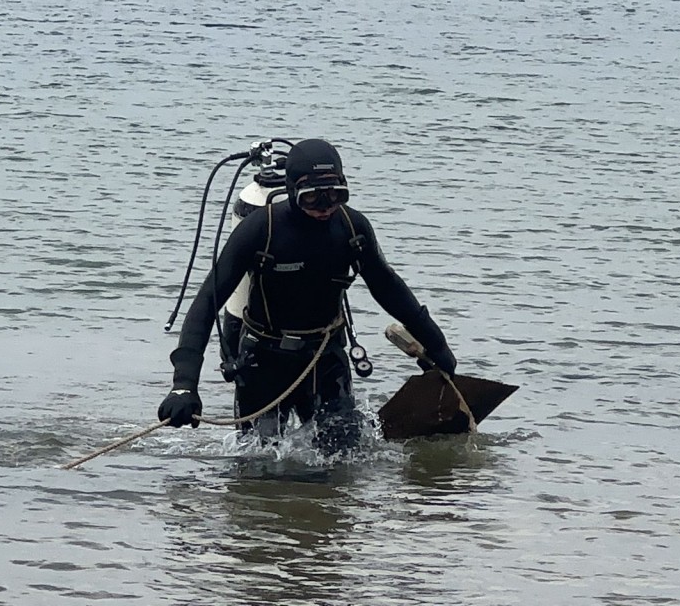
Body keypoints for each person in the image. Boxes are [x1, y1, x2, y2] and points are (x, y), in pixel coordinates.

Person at [158, 138, 457, 452]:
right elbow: (207, 302)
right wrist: (184, 385)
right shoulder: (260, 229)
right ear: (291, 190)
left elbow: (390, 289)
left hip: (326, 358)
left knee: (344, 458)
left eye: (335, 195)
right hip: (263, 362)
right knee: (259, 465)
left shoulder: (352, 229)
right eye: (312, 197)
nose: (325, 207)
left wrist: (437, 346)